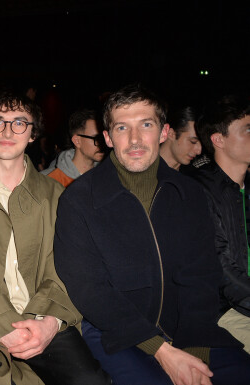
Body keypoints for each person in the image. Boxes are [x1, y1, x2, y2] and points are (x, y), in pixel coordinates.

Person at [54, 84, 250, 385]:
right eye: (122, 128)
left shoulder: (189, 194)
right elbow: (90, 291)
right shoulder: (79, 200)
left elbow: (201, 278)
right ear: (108, 138)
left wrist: (195, 350)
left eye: (146, 125)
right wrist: (161, 350)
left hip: (188, 329)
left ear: (163, 132)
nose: (134, 139)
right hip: (116, 333)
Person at [0, 91, 109, 385]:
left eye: (20, 122)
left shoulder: (56, 196)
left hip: (43, 318)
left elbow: (66, 271)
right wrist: (9, 327)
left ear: (32, 134)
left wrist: (50, 323)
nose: (8, 131)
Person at [187, 95, 250, 353]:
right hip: (225, 310)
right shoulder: (199, 191)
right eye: (247, 130)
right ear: (218, 140)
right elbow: (223, 272)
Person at [48, 109, 104, 187]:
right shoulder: (52, 182)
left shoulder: (106, 175)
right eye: (96, 138)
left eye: (104, 138)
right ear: (77, 141)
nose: (103, 144)